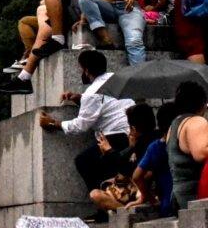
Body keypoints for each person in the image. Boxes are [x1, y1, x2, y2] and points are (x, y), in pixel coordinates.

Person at [38, 50, 134, 193]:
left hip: (115, 139)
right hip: (131, 134)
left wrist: (53, 123)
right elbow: (104, 103)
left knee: (84, 162)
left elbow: (80, 125)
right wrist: (79, 98)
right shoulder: (116, 80)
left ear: (86, 70)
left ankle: (103, 201)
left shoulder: (92, 93)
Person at [86, 103, 158, 221]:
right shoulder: (140, 142)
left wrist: (109, 151)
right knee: (96, 194)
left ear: (133, 129)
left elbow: (132, 171)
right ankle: (127, 212)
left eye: (129, 127)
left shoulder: (148, 144)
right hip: (132, 190)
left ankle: (131, 215)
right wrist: (130, 148)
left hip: (147, 191)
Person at [128, 102, 179, 216]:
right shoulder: (184, 144)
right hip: (187, 201)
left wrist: (149, 197)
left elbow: (137, 176)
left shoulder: (155, 147)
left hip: (166, 204)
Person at [167, 81, 208, 211]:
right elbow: (201, 154)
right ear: (202, 103)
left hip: (179, 196)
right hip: (195, 198)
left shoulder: (174, 124)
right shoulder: (196, 122)